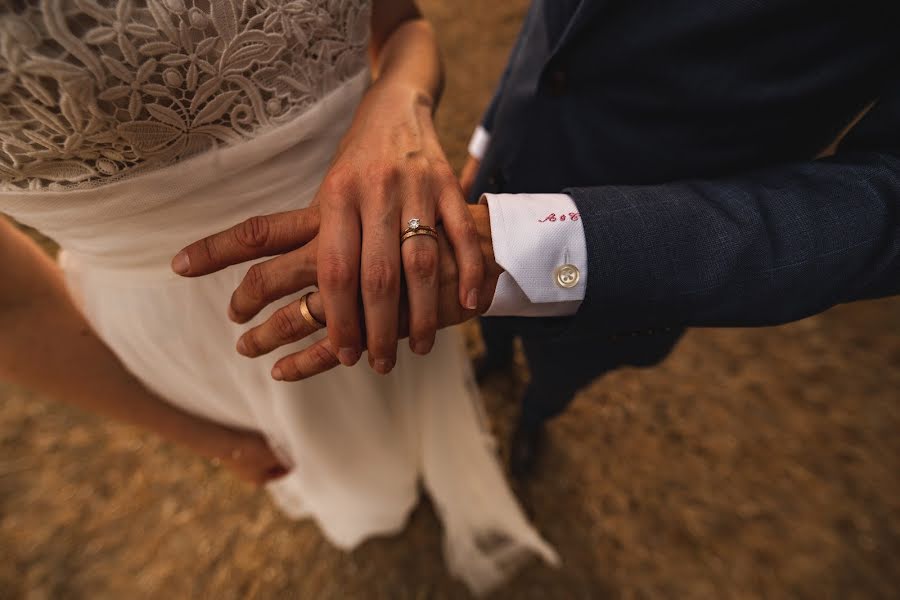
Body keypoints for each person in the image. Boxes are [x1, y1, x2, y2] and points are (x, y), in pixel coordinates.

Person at [176, 0, 900, 482]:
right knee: (487, 329)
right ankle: (497, 360)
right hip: (513, 151)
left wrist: (541, 249)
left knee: (567, 369)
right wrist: (490, 133)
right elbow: (562, 33)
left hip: (649, 236)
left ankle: (536, 418)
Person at [0, 1, 557, 593]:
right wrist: (216, 441)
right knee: (337, 456)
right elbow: (10, 309)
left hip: (385, 241)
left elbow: (403, 25)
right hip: (195, 325)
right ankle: (378, 500)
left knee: (406, 373)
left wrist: (401, 100)